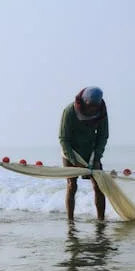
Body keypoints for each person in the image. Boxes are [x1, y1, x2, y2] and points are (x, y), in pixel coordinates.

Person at [59, 86, 109, 221]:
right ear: (83, 102)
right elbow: (63, 139)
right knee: (72, 185)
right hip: (71, 151)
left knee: (98, 185)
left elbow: (103, 136)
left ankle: (101, 220)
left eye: (95, 106)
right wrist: (74, 160)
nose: (93, 109)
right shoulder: (70, 111)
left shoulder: (101, 111)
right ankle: (70, 221)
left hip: (90, 152)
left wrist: (97, 157)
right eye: (90, 106)